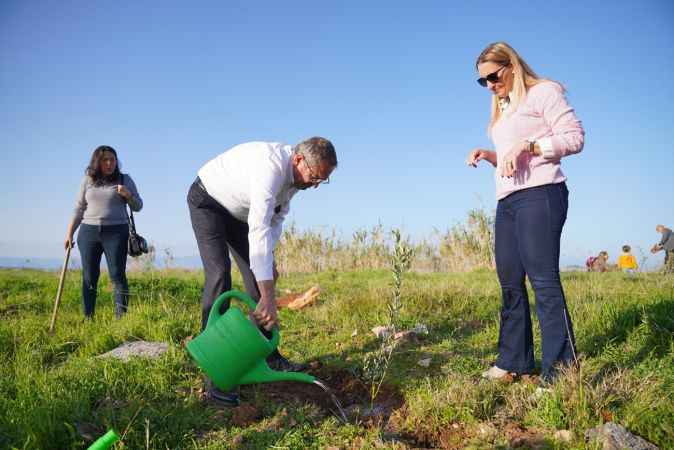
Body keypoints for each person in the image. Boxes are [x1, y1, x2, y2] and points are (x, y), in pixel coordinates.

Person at [466, 42, 584, 382]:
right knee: (509, 282)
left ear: (512, 66)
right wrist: (491, 155)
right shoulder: (503, 108)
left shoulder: (544, 92)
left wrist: (529, 145)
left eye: (492, 76)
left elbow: (574, 138)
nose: (489, 85)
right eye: (482, 81)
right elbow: (512, 156)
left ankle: (560, 372)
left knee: (543, 281)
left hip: (541, 194)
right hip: (508, 200)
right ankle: (513, 361)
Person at [188, 137, 337, 405]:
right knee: (220, 273)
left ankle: (270, 356)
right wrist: (268, 295)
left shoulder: (295, 181)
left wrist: (269, 263)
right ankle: (215, 371)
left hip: (238, 214)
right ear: (298, 160)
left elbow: (274, 221)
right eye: (314, 176)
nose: (315, 184)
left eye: (322, 181)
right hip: (208, 201)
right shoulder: (269, 169)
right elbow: (258, 227)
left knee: (260, 279)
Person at [64, 145, 143, 319]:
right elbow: (78, 208)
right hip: (88, 232)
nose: (109, 163)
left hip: (116, 232)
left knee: (117, 275)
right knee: (89, 276)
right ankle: (88, 317)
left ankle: (120, 319)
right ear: (97, 162)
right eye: (105, 160)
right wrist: (69, 233)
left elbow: (138, 206)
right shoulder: (88, 180)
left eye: (112, 160)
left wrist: (128, 195)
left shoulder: (124, 179)